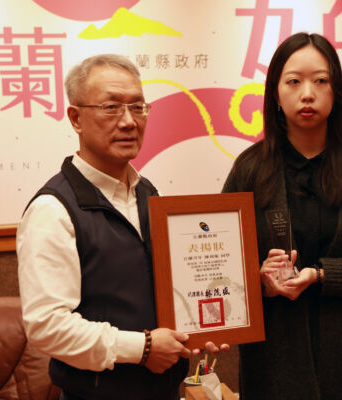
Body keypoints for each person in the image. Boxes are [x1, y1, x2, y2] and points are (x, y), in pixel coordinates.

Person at [17, 54, 227, 400]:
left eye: (138, 107)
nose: (129, 121)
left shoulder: (148, 193)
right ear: (76, 118)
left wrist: (204, 327)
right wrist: (143, 348)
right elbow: (47, 326)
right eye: (111, 107)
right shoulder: (52, 210)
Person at [222, 33, 342, 399]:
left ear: (337, 90)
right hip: (276, 361)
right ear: (275, 93)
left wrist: (322, 275)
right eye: (294, 81)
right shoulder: (250, 169)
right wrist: (261, 280)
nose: (307, 94)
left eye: (321, 81)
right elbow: (224, 270)